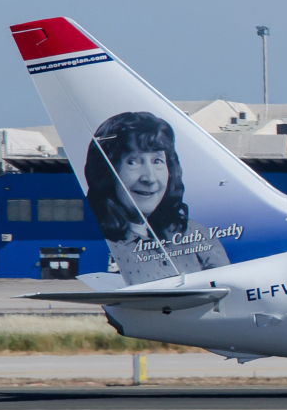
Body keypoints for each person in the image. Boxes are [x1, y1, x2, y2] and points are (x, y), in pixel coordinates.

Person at [84, 111, 229, 284]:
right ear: (107, 173)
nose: (150, 178)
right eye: (133, 162)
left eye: (157, 161)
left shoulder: (193, 233)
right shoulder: (106, 242)